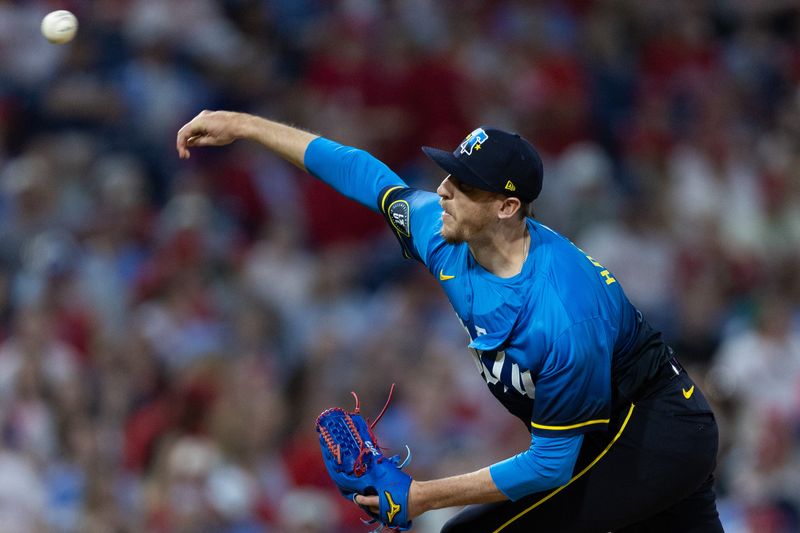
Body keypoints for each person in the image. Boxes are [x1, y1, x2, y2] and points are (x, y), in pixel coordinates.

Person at [176, 110, 723, 532]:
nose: (442, 189)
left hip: (649, 434)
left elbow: (552, 466)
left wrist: (421, 496)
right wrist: (243, 125)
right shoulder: (441, 231)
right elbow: (361, 173)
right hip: (617, 433)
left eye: (463, 183)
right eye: (448, 174)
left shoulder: (562, 316)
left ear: (507, 207)